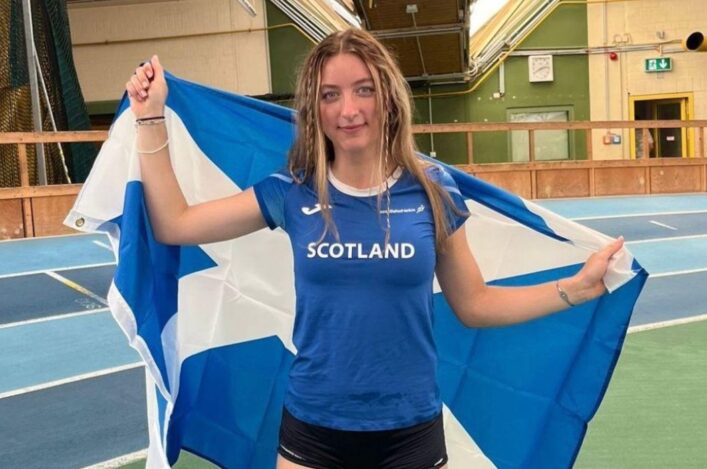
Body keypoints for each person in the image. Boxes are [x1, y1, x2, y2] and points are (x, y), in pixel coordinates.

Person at [125, 29, 623, 469]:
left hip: (410, 431)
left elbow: (474, 303)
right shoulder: (291, 190)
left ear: (388, 98)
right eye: (331, 95)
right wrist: (149, 118)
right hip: (313, 429)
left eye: (364, 89)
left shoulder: (433, 190)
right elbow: (175, 224)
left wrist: (575, 289)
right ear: (314, 109)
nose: (348, 110)